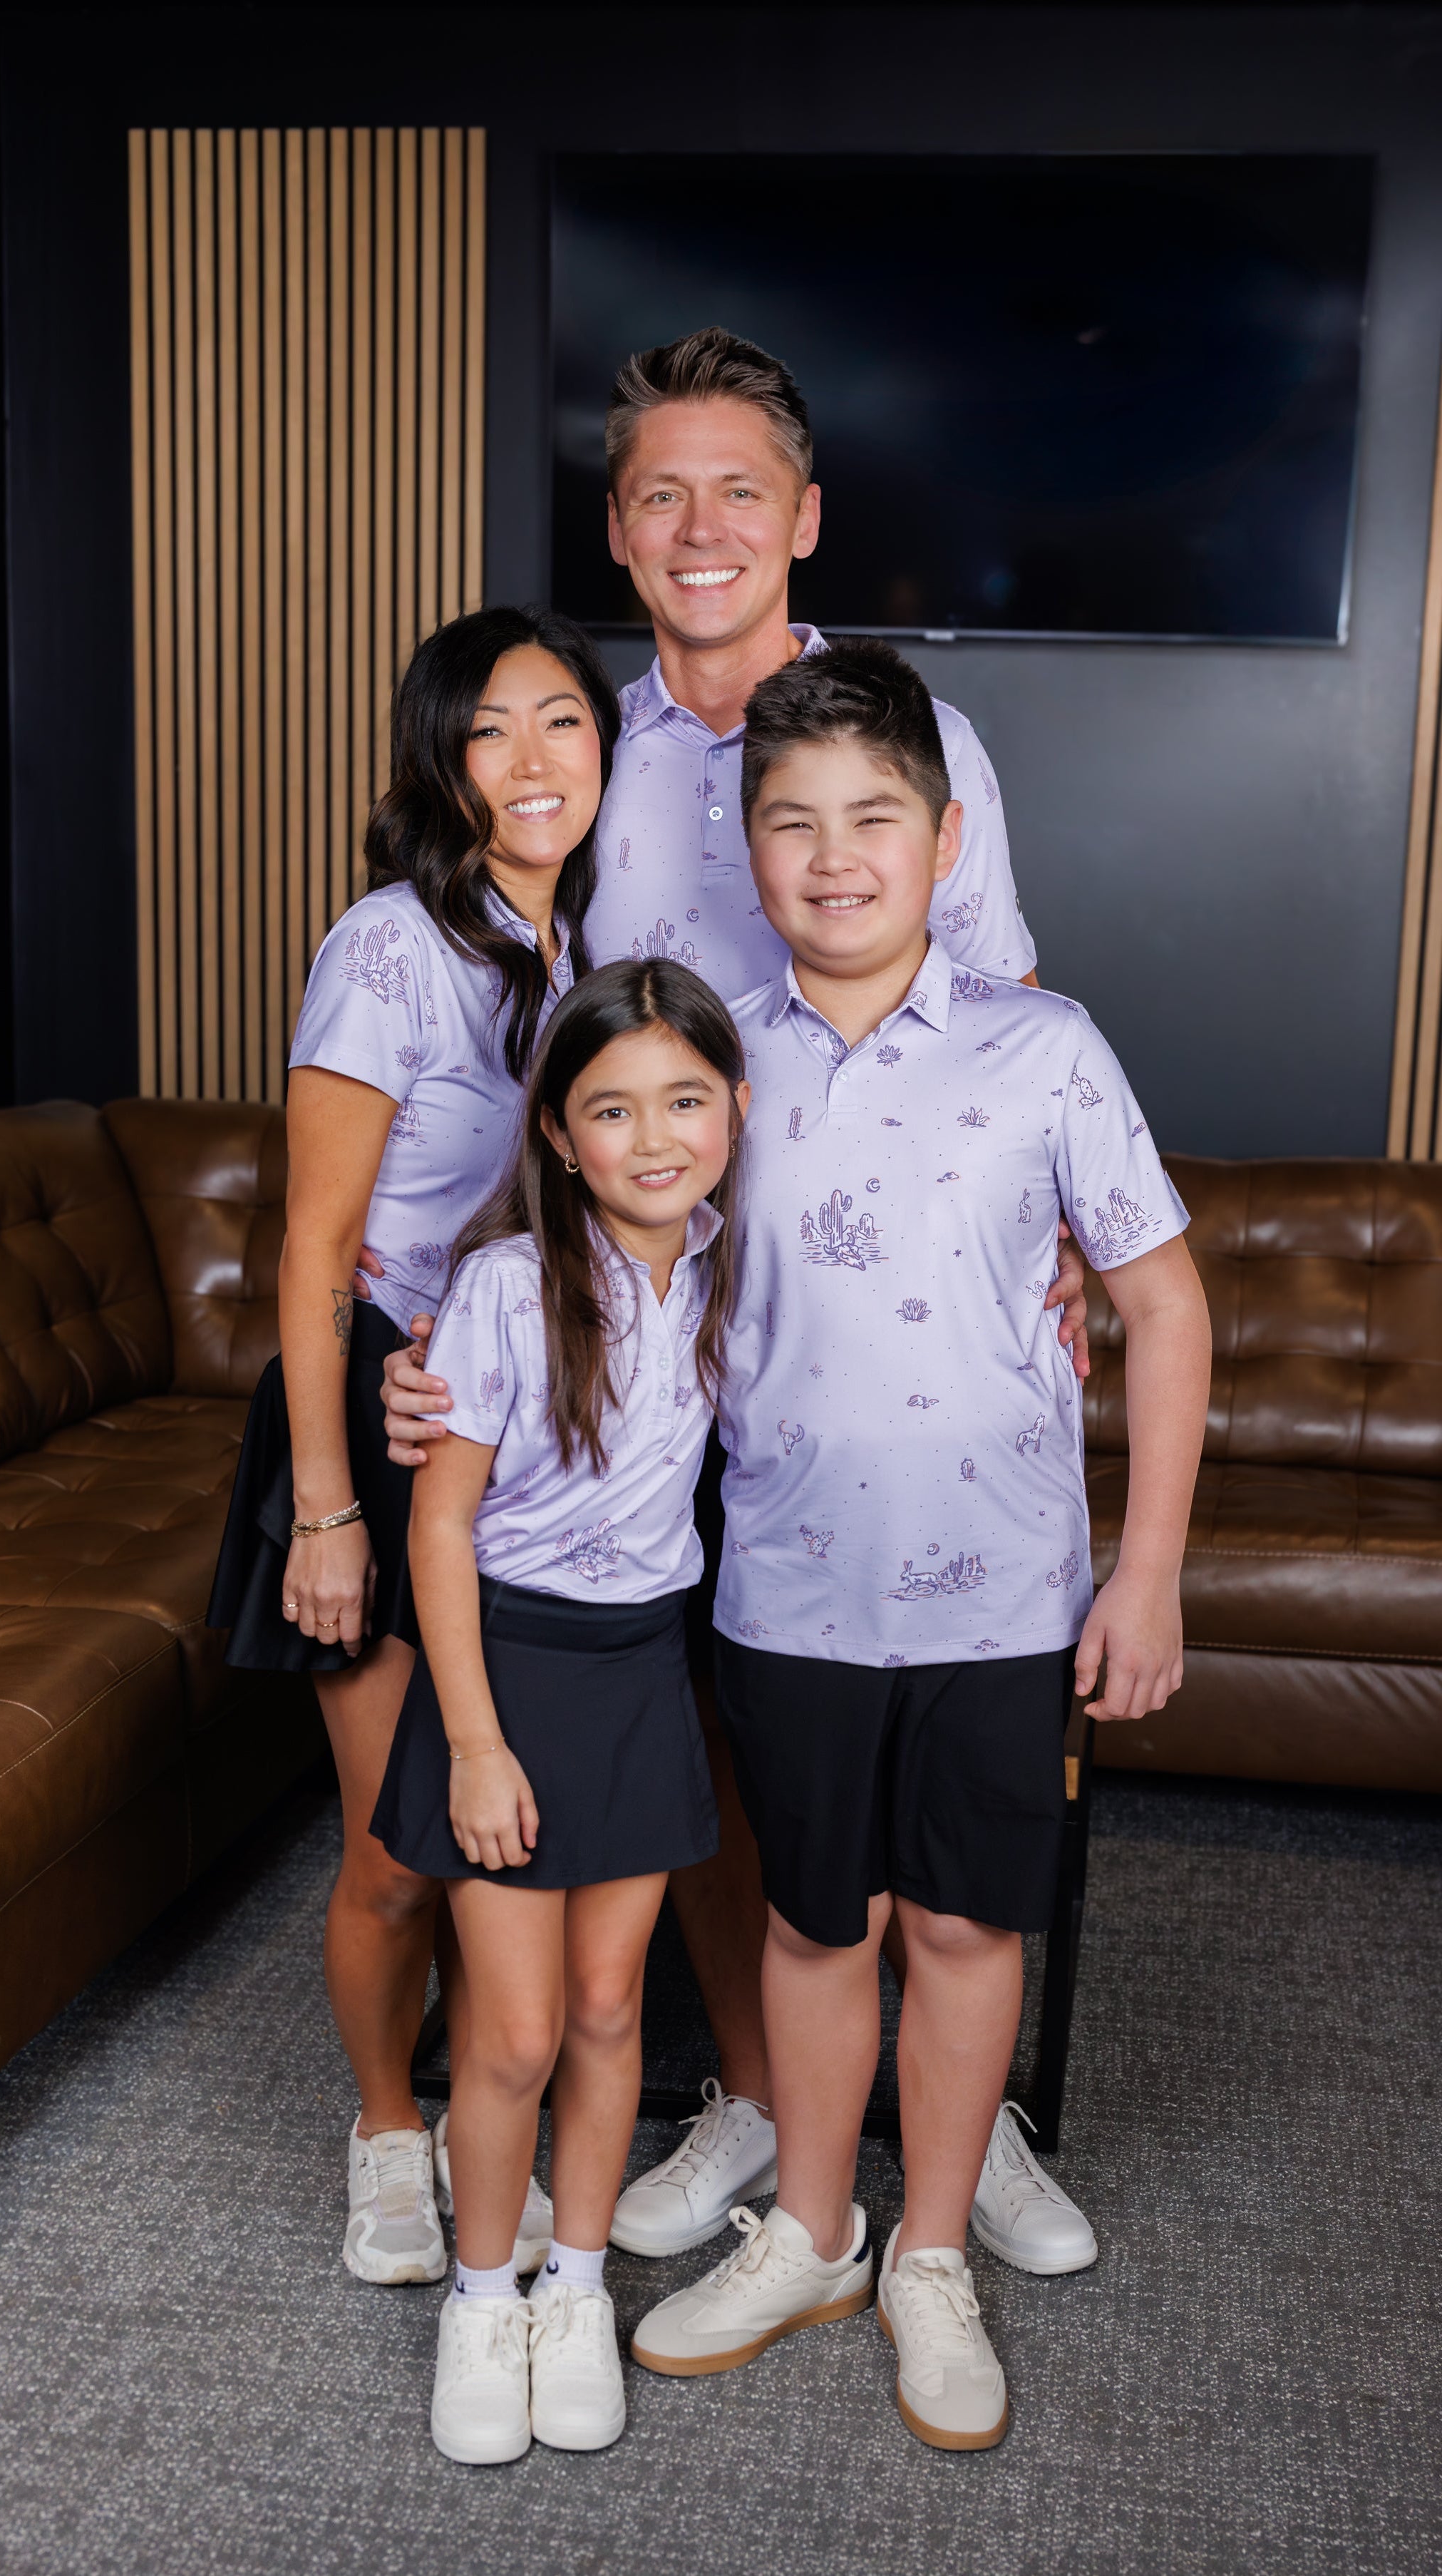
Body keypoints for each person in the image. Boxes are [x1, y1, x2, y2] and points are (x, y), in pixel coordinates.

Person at [374, 328, 1097, 2274]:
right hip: (663, 1341)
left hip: (888, 1352)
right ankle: (773, 2106)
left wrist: (1063, 1256)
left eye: (740, 490)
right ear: (619, 528)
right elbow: (504, 1064)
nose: (704, 527)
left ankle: (966, 2119)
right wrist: (448, 1342)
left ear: (804, 517)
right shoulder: (585, 757)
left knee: (925, 1760)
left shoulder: (905, 736)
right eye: (662, 492)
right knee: (710, 1715)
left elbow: (1007, 1023)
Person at [629, 642, 1211, 2446]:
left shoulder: (1048, 1048)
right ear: (747, 842)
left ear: (945, 838)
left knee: (962, 1927)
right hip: (790, 1586)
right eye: (789, 821)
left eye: (873, 817)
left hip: (1003, 1593)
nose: (830, 854)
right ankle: (813, 2223)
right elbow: (606, 1267)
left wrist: (1148, 1568)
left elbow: (1164, 1304)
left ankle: (931, 2251)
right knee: (816, 1923)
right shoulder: (706, 1058)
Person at [209, 607, 620, 2286]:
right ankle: (390, 2126)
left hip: (520, 1424)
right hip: (371, 1408)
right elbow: (314, 1250)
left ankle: (483, 2117)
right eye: (490, 733)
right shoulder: (387, 944)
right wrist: (326, 1509)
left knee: (491, 1817)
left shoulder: (585, 938)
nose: (532, 764)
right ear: (440, 765)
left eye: (562, 725)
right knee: (393, 1845)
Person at [371, 959, 749, 2462]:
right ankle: (482, 2298)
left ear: (732, 1107)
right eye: (611, 1108)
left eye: (683, 1098)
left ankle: (575, 2286)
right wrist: (470, 1737)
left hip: (640, 1665)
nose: (652, 1137)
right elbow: (439, 1530)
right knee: (515, 2034)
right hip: (507, 1677)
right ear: (556, 1129)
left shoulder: (733, 1264)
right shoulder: (504, 1289)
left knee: (608, 2008)